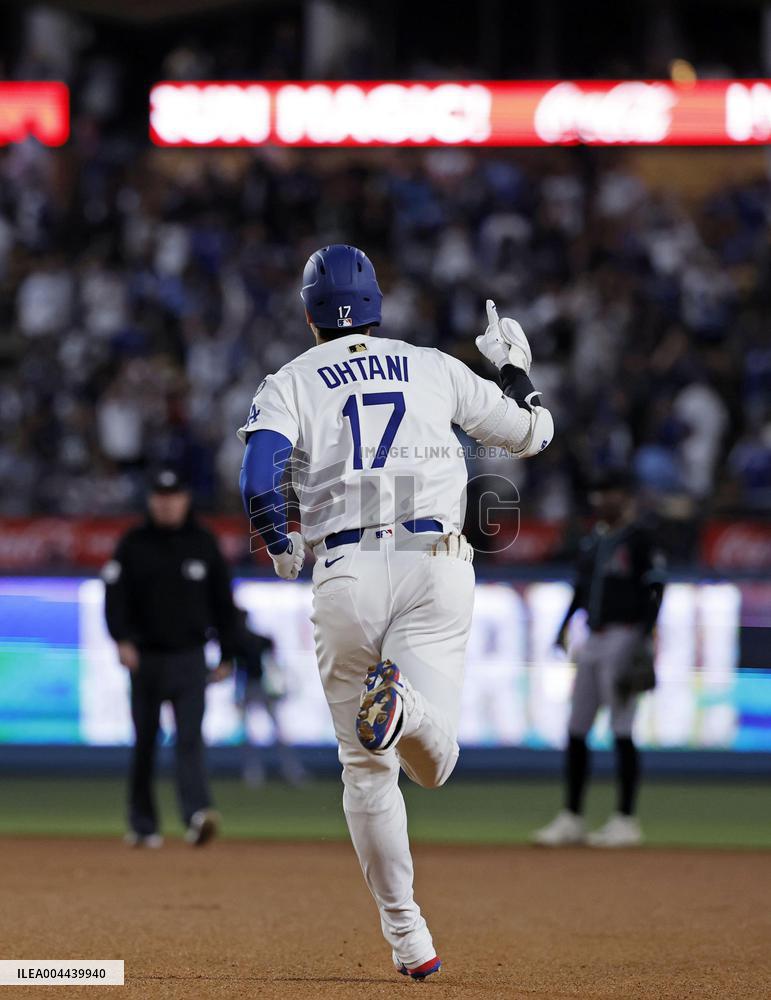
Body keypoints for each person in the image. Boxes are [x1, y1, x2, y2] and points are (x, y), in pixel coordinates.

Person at [237, 244, 554, 980]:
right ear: (376, 304)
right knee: (431, 767)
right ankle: (403, 708)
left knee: (365, 768)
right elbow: (533, 434)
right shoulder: (432, 365)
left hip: (344, 570)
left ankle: (409, 939)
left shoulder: (289, 380)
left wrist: (278, 539)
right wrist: (513, 371)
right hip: (433, 562)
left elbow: (259, 474)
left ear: (311, 313)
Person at [104, 467, 237, 848]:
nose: (165, 504)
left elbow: (223, 604)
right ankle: (143, 823)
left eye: (173, 496)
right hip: (145, 658)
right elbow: (115, 597)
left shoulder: (203, 542)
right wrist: (122, 640)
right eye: (159, 497)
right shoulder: (132, 543)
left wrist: (227, 653)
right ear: (151, 500)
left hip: (190, 657)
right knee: (145, 741)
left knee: (189, 740)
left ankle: (197, 815)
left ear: (185, 500)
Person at [532, 472, 665, 848]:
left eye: (612, 493)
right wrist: (563, 626)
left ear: (627, 498)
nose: (604, 500)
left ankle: (626, 819)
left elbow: (656, 588)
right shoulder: (595, 539)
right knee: (577, 728)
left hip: (625, 635)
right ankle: (571, 817)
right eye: (600, 493)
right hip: (592, 636)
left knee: (622, 729)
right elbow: (580, 589)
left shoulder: (639, 539)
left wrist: (644, 637)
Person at [232, 608, 307, 786]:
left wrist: (280, 687)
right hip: (250, 687)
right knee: (249, 735)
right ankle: (254, 773)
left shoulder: (259, 640)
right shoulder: (243, 642)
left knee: (277, 732)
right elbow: (238, 672)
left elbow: (274, 666)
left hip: (262, 687)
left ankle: (292, 771)